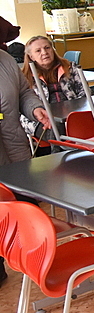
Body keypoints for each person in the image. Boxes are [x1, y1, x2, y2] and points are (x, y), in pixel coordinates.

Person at [0, 47, 51, 286]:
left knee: (25, 204)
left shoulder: (5, 59)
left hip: (15, 148)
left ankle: (37, 259)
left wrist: (34, 108)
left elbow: (23, 92)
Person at [20, 35, 87, 154]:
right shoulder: (24, 77)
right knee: (56, 127)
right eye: (38, 51)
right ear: (31, 56)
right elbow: (24, 104)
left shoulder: (70, 67)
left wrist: (76, 113)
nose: (44, 52)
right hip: (39, 121)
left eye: (47, 48)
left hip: (71, 115)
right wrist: (44, 118)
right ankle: (58, 156)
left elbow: (84, 92)